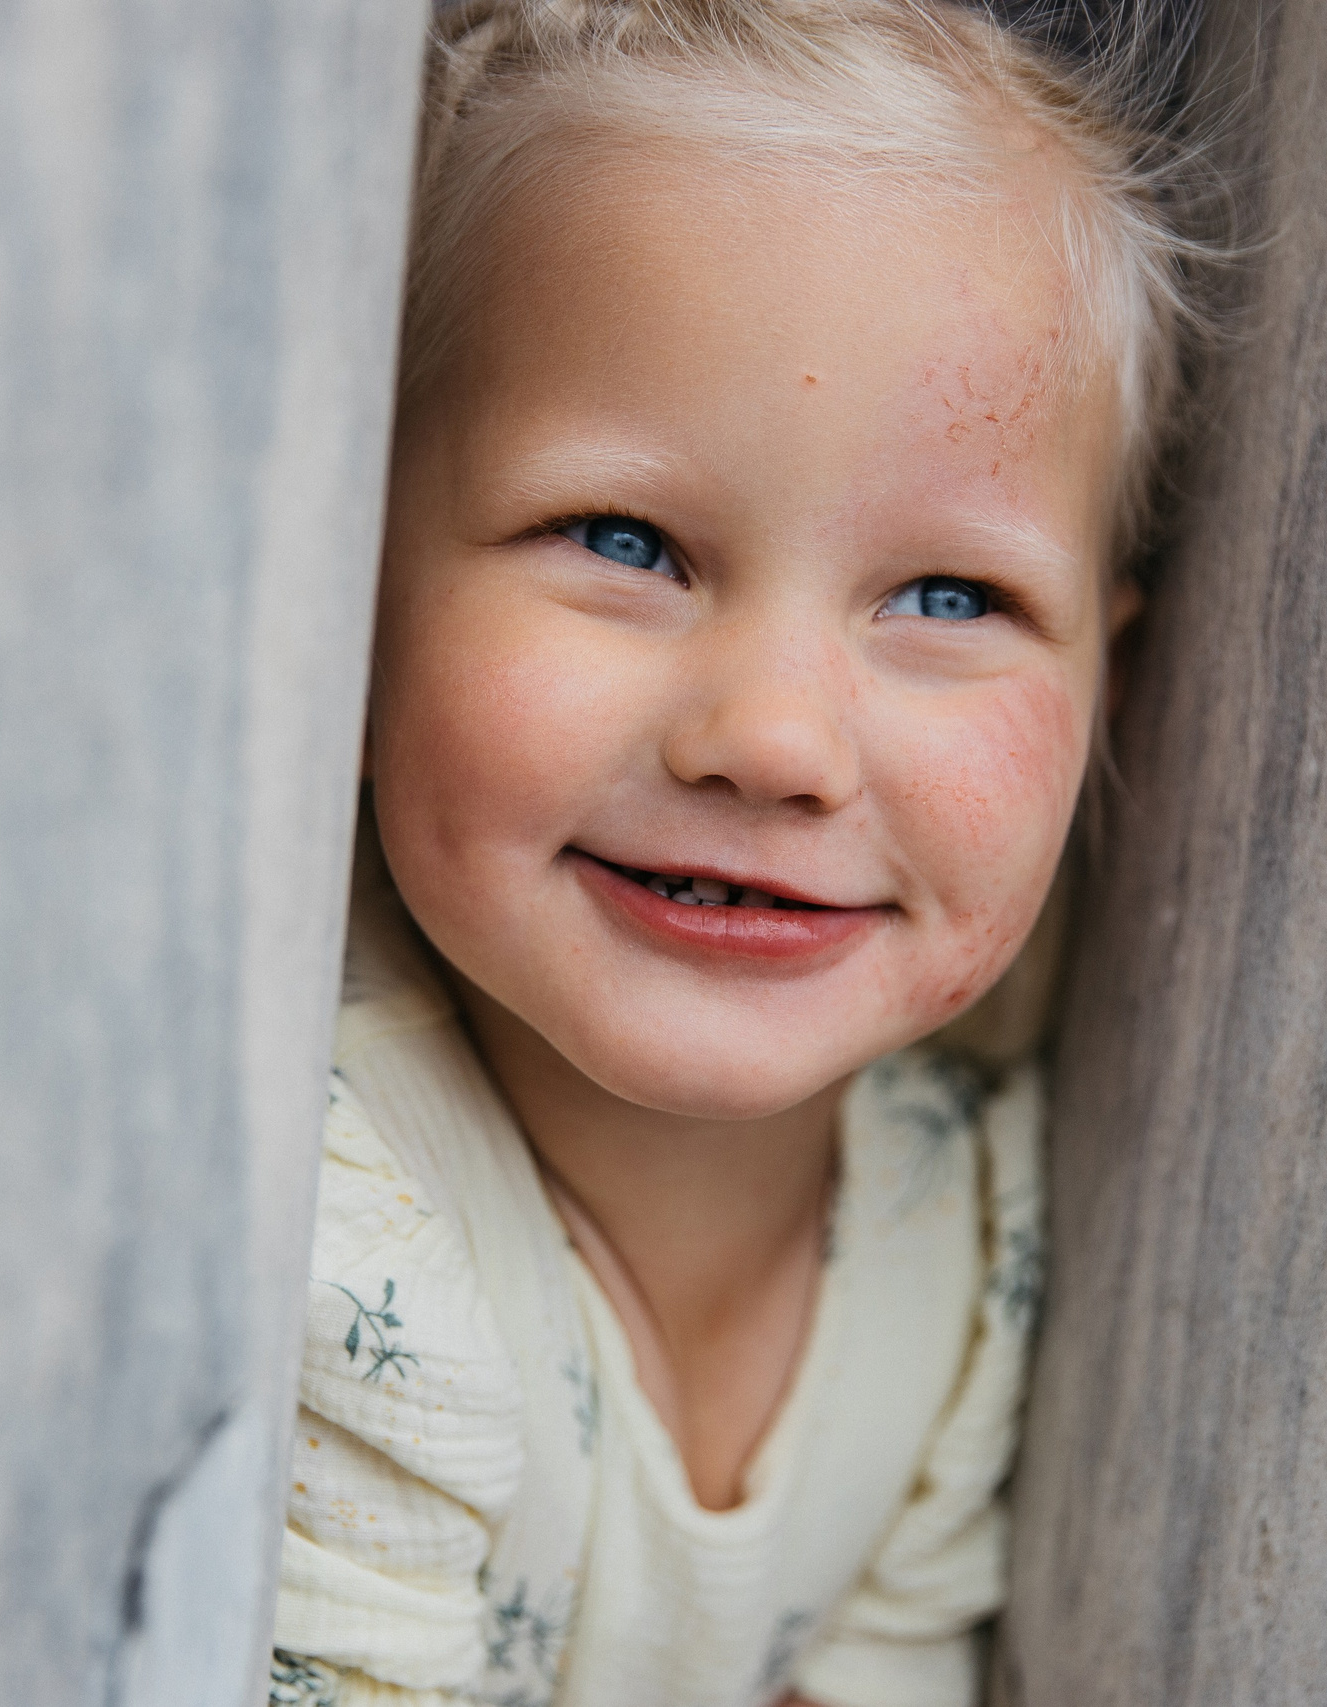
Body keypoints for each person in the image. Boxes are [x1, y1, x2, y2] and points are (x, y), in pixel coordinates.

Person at [272, 3, 1205, 1702]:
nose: (772, 741)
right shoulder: (332, 1237)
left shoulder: (966, 1233)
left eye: (949, 599)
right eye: (626, 541)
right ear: (352, 589)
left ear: (1105, 697)